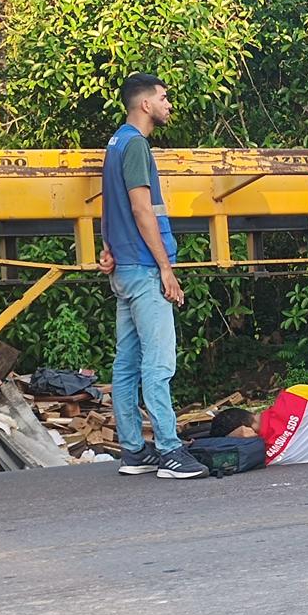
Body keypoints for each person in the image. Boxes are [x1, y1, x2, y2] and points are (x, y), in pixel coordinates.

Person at [97, 73, 208, 479]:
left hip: (124, 269)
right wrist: (166, 268)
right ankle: (170, 450)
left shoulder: (115, 143)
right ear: (144, 104)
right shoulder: (137, 146)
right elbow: (142, 209)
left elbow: (110, 206)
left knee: (126, 365)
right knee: (158, 364)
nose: (168, 104)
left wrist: (108, 247)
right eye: (164, 98)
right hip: (144, 270)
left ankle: (133, 451)